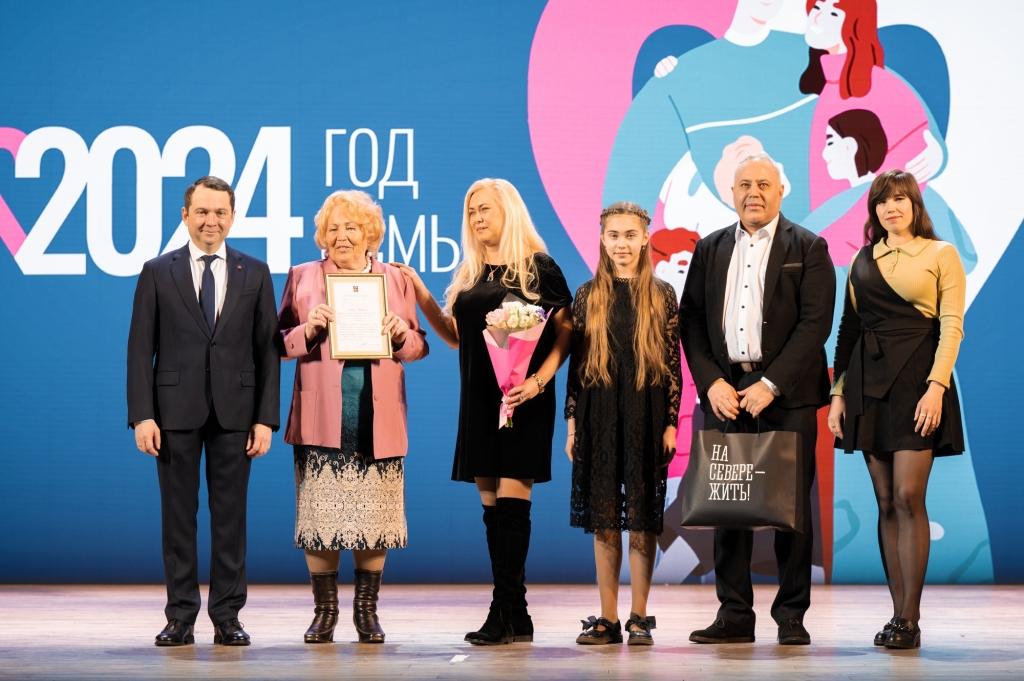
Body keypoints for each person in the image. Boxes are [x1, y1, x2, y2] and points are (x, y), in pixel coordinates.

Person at [395, 178, 573, 646]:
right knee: (492, 512)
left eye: (485, 209)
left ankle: (501, 611)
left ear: (508, 211)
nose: (476, 218)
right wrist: (421, 292)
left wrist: (538, 382)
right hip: (478, 402)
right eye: (471, 210)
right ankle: (517, 612)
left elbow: (566, 331)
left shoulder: (538, 268)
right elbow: (456, 337)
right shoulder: (470, 273)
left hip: (522, 401)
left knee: (512, 510)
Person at [679, 154, 835, 645]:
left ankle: (791, 616)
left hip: (787, 397)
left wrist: (771, 384)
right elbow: (691, 321)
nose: (754, 192)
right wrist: (711, 382)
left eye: (764, 184)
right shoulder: (709, 248)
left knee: (792, 509)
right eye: (744, 184)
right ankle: (734, 615)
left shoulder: (809, 247)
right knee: (728, 507)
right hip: (725, 394)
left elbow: (815, 324)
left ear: (781, 190)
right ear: (731, 192)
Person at [127, 176, 280, 647]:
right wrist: (143, 415)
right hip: (173, 414)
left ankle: (227, 616)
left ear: (232, 217)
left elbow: (268, 351)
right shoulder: (157, 271)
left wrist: (265, 418)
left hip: (237, 415)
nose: (210, 220)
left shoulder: (256, 272)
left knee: (231, 521)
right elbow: (140, 349)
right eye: (202, 212)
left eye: (219, 212)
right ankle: (180, 617)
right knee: (178, 520)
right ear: (185, 216)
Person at [277, 190, 428, 644]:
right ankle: (324, 613)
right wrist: (308, 329)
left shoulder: (396, 279)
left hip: (377, 417)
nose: (341, 236)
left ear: (370, 234)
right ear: (323, 235)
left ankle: (367, 613)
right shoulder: (302, 275)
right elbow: (276, 342)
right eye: (333, 228)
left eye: (352, 227)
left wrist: (401, 335)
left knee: (375, 517)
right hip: (321, 416)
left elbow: (419, 346)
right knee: (320, 517)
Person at [827, 170, 965, 650]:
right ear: (874, 211)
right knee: (885, 500)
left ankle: (910, 618)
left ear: (915, 205)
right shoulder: (861, 260)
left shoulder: (941, 254)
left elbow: (951, 327)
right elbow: (848, 330)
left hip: (918, 385)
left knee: (908, 496)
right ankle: (896, 614)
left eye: (900, 199)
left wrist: (936, 388)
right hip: (867, 385)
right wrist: (838, 394)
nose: (891, 207)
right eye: (882, 201)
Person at [565, 202, 681, 646]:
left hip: (645, 415)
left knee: (642, 518)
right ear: (602, 239)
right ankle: (608, 618)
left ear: (645, 238)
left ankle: (639, 617)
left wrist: (670, 425)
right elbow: (576, 368)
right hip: (598, 416)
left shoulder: (662, 295)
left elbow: (673, 367)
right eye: (614, 235)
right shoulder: (587, 295)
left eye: (630, 235)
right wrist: (572, 425)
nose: (622, 244)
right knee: (605, 518)